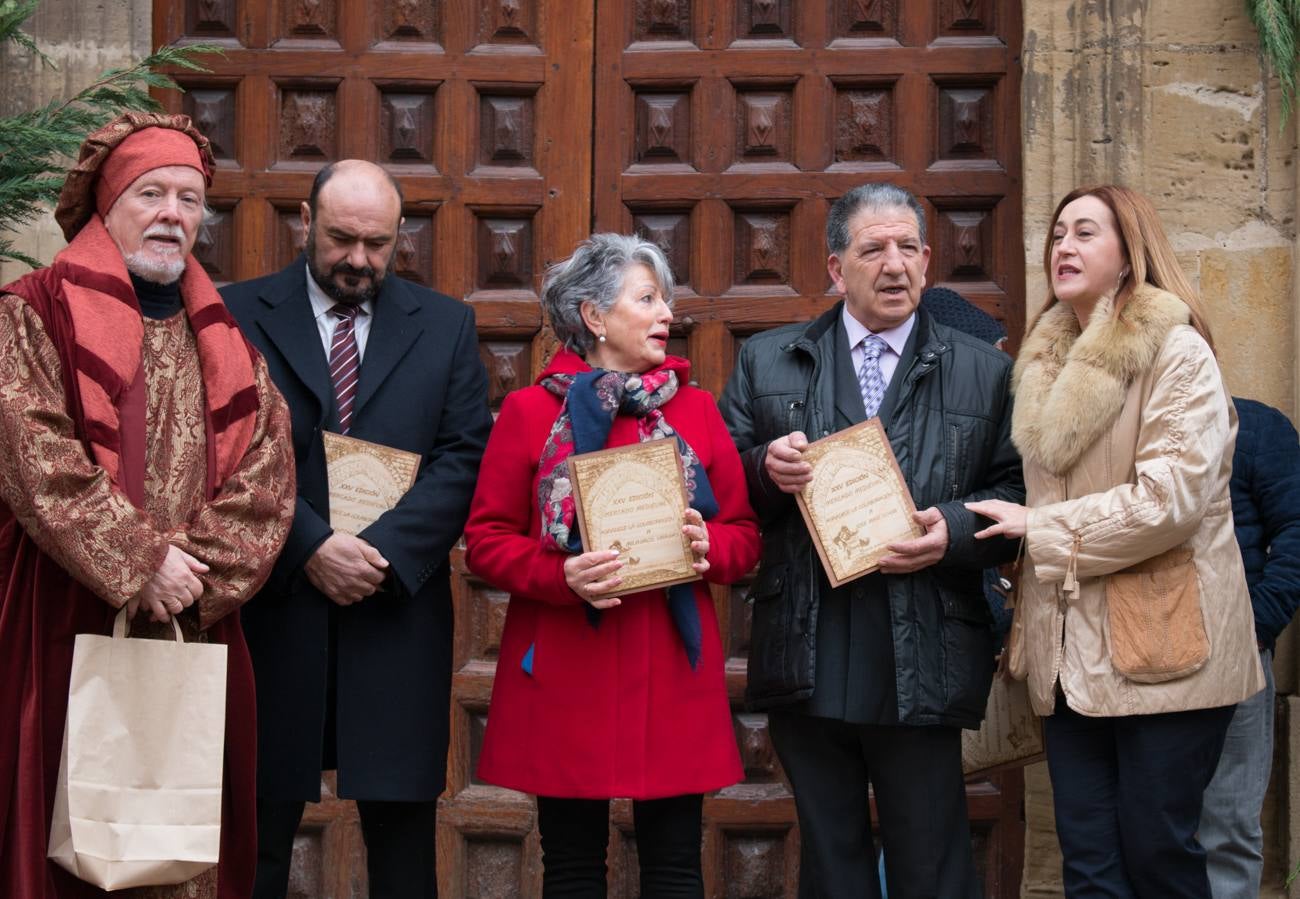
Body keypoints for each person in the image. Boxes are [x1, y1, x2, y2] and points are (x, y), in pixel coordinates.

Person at [0, 112, 296, 898]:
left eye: (191, 199)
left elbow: (268, 482)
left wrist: (189, 580)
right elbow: (35, 458)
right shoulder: (32, 314)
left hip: (191, 628)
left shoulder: (230, 343)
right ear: (107, 204)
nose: (173, 213)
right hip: (64, 614)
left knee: (187, 848)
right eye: (151, 192)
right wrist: (138, 560)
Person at [719, 182, 1024, 899]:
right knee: (832, 863)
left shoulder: (987, 372)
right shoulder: (768, 360)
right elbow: (717, 484)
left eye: (910, 248)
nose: (896, 264)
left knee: (933, 863)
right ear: (835, 268)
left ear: (927, 259)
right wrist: (764, 468)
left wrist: (951, 530)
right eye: (873, 249)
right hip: (808, 643)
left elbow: (1020, 496)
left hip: (924, 650)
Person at [967, 184, 1266, 898]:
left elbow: (1170, 502)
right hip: (1069, 661)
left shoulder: (1178, 351)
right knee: (1091, 868)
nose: (1062, 246)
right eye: (1058, 234)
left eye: (1085, 233)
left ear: (1130, 257)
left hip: (1165, 651)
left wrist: (1039, 529)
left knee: (1160, 854)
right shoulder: (1041, 364)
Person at [221, 160, 493, 899]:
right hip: (273, 613)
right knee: (254, 836)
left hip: (393, 613)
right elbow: (222, 450)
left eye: (377, 243)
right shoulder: (234, 314)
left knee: (402, 847)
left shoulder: (445, 324)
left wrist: (380, 553)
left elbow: (463, 455)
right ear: (304, 223)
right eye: (342, 238)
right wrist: (309, 545)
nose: (358, 260)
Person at [463, 233, 761, 897]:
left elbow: (743, 535)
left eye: (666, 301)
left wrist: (711, 546)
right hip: (567, 662)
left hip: (672, 667)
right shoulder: (529, 412)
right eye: (648, 298)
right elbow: (484, 539)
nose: (666, 315)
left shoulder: (698, 411)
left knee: (676, 870)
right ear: (594, 317)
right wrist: (559, 575)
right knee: (571, 872)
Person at [1201, 397, 1300, 897]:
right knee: (1147, 829)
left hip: (1235, 656)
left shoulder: (1257, 426)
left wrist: (1257, 624)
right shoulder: (1115, 431)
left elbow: (1295, 530)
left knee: (1229, 825)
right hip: (1133, 658)